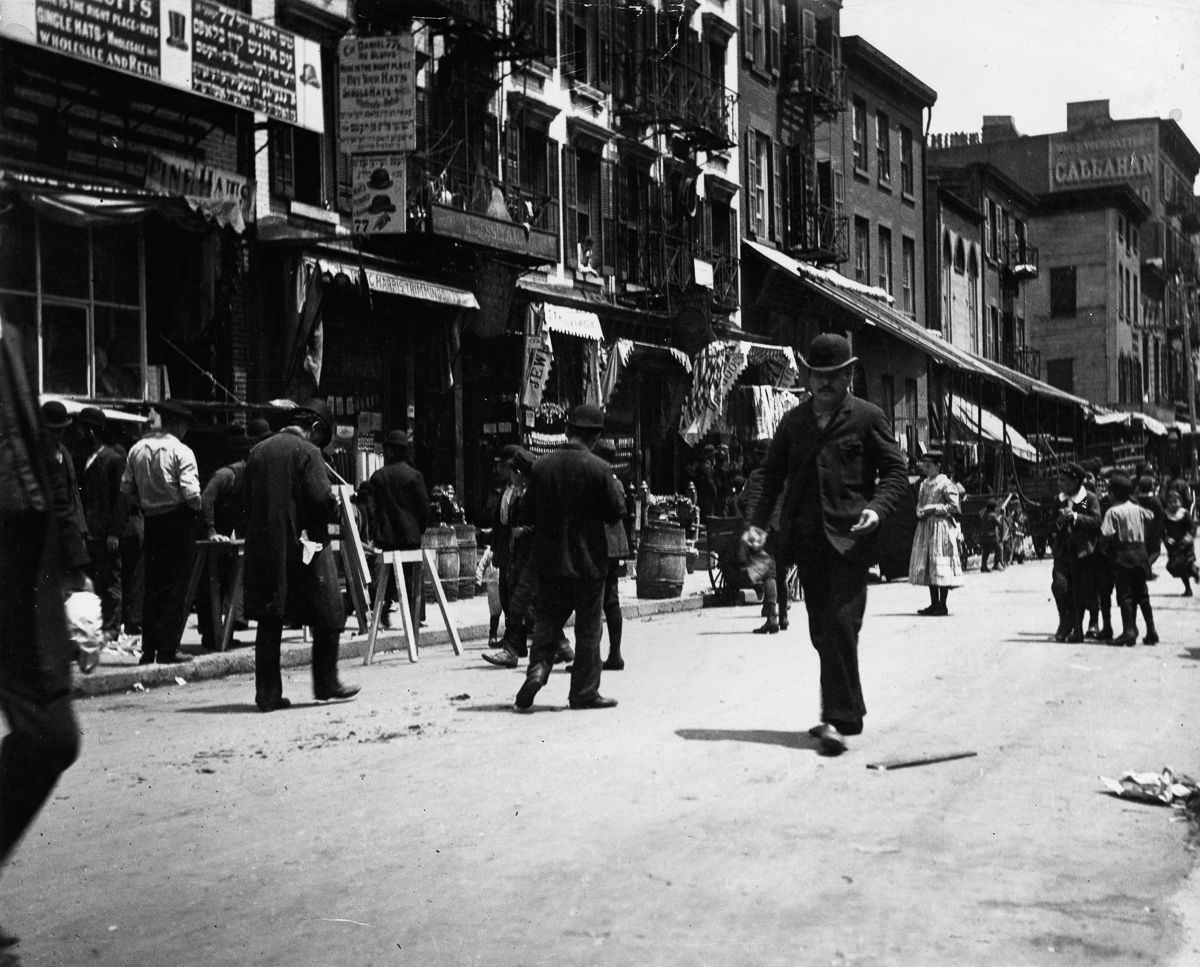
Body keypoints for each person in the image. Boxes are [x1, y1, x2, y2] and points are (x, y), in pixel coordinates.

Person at [743, 333, 908, 756]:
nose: (825, 384)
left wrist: (877, 507)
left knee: (840, 624)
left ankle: (834, 718)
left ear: (849, 374)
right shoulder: (793, 423)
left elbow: (894, 472)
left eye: (834, 376)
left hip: (852, 543)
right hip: (808, 543)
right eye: (818, 375)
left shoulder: (867, 418)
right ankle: (847, 712)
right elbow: (768, 476)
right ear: (807, 375)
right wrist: (757, 524)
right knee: (823, 631)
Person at [0, 322, 87, 949]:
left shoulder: (6, 336)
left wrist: (73, 574)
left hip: (21, 580)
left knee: (54, 737)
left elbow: (40, 483)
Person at [243, 400, 360, 712]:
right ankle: (326, 682)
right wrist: (339, 509)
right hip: (304, 547)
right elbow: (322, 499)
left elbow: (243, 499)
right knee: (331, 611)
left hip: (263, 547)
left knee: (270, 619)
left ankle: (267, 695)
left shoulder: (258, 451)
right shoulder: (308, 452)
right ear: (316, 428)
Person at [513, 404, 626, 713]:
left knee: (547, 622)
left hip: (550, 561)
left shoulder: (541, 467)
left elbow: (526, 514)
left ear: (567, 430)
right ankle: (584, 692)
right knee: (589, 630)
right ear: (597, 436)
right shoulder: (600, 469)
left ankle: (537, 671)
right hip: (589, 563)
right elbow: (617, 513)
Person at [119, 399, 201, 664]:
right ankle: (168, 648)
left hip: (152, 521)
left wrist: (146, 502)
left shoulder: (137, 449)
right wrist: (195, 508)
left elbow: (127, 489)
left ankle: (148, 649)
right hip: (177, 521)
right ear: (178, 424)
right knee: (176, 586)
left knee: (153, 585)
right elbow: (191, 494)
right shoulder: (182, 451)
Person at [196, 418, 272, 649]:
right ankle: (211, 635)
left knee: (230, 582)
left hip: (229, 538)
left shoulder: (252, 478)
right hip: (207, 536)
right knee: (210, 587)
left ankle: (226, 631)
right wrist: (210, 531)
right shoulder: (227, 475)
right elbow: (205, 500)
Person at [365, 429, 430, 630]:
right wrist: (419, 528)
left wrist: (376, 533)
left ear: (390, 451)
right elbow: (424, 508)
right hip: (410, 536)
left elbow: (372, 510)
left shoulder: (378, 477)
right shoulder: (414, 476)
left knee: (387, 577)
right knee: (412, 577)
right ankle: (415, 616)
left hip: (387, 537)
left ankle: (383, 609)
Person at [76, 406, 130, 645]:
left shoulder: (113, 460)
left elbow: (122, 498)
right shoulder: (86, 459)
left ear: (90, 431)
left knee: (111, 581)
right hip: (91, 531)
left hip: (106, 532)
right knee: (96, 580)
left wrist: (114, 533)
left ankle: (112, 626)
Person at [1099, 473, 1159, 646]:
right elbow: (1151, 517)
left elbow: (1106, 534)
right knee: (1142, 594)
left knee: (1125, 595)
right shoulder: (1137, 508)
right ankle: (1151, 630)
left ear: (1114, 494)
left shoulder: (1112, 512)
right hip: (1141, 554)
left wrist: (1103, 549)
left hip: (1123, 555)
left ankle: (1129, 631)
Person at [1049, 462, 1101, 643]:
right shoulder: (1059, 499)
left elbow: (1096, 521)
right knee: (1060, 587)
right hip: (1063, 551)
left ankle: (1081, 627)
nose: (1059, 483)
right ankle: (1065, 621)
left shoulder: (1088, 499)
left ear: (1075, 481)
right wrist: (1060, 520)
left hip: (1083, 552)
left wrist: (1076, 517)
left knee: (1082, 592)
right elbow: (1051, 525)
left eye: (1063, 480)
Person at [908, 450, 964, 615]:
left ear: (938, 466)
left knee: (941, 563)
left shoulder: (945, 483)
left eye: (929, 465)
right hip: (926, 526)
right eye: (925, 465)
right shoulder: (924, 484)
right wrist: (919, 510)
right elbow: (920, 503)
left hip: (940, 527)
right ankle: (934, 603)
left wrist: (934, 508)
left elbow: (955, 507)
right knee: (929, 564)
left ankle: (943, 604)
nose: (926, 468)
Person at [593, 438, 631, 670]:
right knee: (611, 601)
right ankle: (615, 654)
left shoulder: (600, 479)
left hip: (599, 545)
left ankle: (592, 657)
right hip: (615, 546)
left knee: (594, 601)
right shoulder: (616, 480)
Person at [1162, 489, 1199, 595]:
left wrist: (1189, 536)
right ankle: (1193, 573)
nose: (1173, 504)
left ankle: (1188, 588)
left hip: (1185, 544)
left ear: (1180, 502)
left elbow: (1192, 527)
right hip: (1174, 546)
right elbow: (1161, 529)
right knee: (1174, 566)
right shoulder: (1166, 515)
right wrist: (1166, 538)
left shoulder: (1185, 513)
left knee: (1185, 564)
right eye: (1171, 502)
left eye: (1176, 501)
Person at [978, 498, 1006, 573]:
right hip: (991, 536)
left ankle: (983, 566)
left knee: (986, 551)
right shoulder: (993, 515)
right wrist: (1000, 517)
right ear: (994, 507)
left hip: (983, 536)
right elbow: (998, 524)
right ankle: (997, 564)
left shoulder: (984, 514)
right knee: (998, 549)